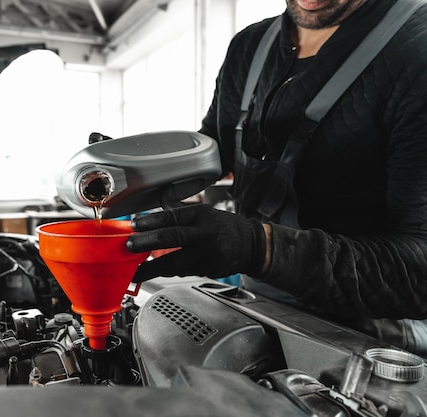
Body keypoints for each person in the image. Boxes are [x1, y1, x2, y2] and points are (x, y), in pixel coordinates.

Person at [125, 0, 427, 354]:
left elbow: (419, 273)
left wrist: (259, 246)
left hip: (372, 336)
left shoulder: (415, 49)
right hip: (259, 302)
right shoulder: (250, 46)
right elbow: (215, 149)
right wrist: (135, 170)